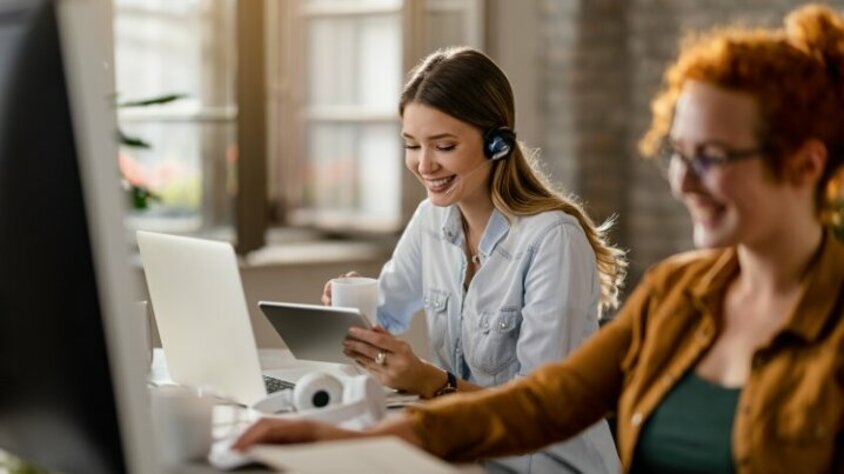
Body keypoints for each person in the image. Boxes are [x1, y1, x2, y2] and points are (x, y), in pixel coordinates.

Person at [235, 4, 844, 473]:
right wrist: (342, 438)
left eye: (711, 156)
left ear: (805, 165)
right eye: (677, 153)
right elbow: (542, 404)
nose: (683, 182)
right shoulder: (678, 293)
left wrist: (424, 387)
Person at [323, 46, 626, 473]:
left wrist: (431, 382)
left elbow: (538, 412)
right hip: (468, 460)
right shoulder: (433, 219)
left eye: (443, 146)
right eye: (412, 145)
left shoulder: (552, 240)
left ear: (496, 143)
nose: (424, 164)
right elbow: (386, 315)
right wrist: (353, 309)